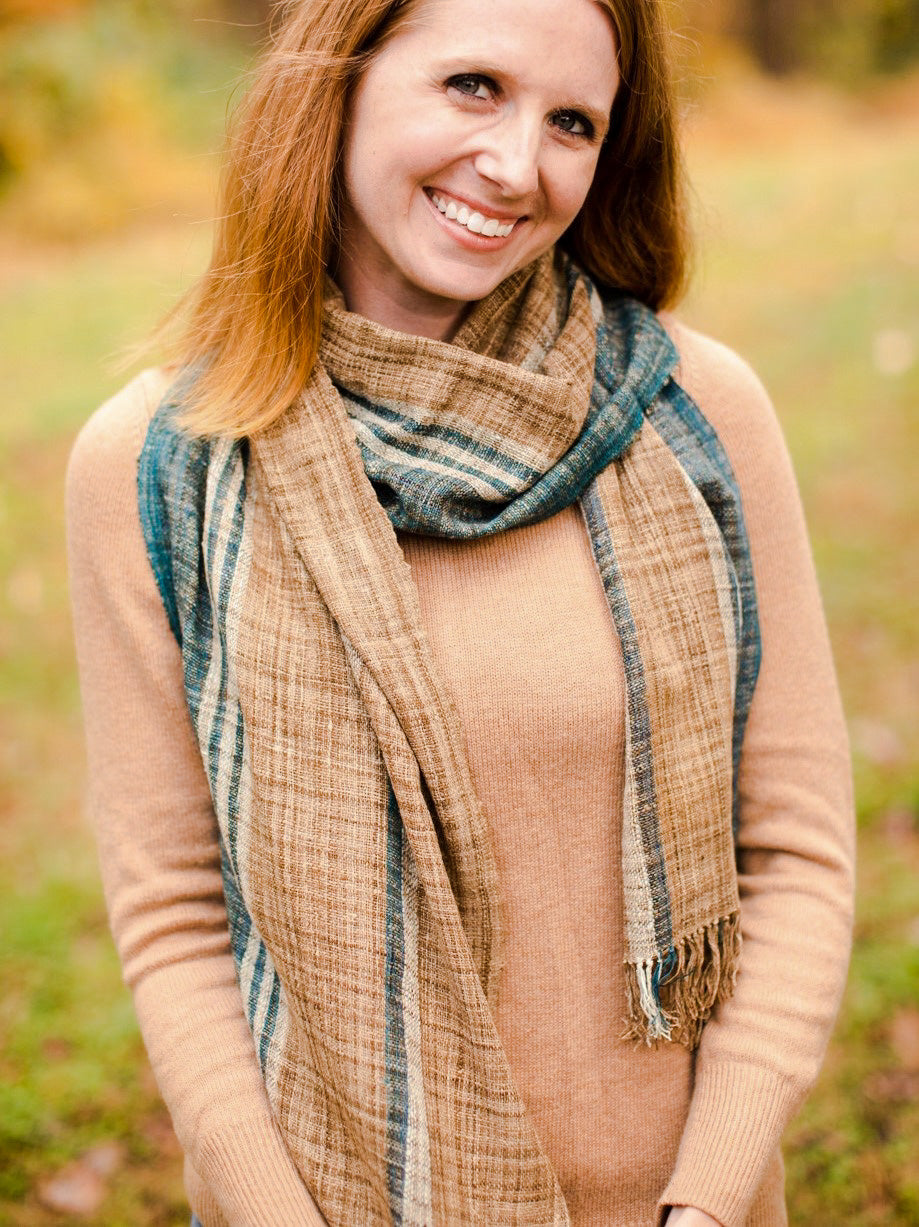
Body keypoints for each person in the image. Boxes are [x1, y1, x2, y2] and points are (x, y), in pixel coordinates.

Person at [66, 0, 855, 1222]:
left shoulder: (695, 413)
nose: (516, 166)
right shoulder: (160, 464)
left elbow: (795, 847)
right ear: (340, 76)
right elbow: (172, 912)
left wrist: (704, 1200)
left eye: (572, 122)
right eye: (474, 85)